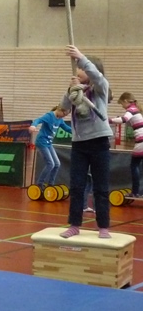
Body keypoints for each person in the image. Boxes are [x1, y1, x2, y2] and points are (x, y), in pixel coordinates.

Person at [59, 45, 113, 239]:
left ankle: (103, 226)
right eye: (77, 67)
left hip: (99, 143)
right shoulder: (75, 91)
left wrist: (81, 57)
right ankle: (74, 224)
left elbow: (97, 77)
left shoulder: (100, 89)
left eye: (81, 68)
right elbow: (63, 108)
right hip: (79, 144)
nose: (78, 70)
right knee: (76, 186)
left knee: (101, 187)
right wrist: (70, 90)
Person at [29, 106, 72, 191]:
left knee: (57, 164)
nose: (64, 116)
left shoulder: (60, 119)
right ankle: (39, 184)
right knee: (50, 164)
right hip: (42, 142)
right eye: (64, 114)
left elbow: (66, 128)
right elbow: (38, 120)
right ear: (60, 109)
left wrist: (77, 131)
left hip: (49, 143)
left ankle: (50, 184)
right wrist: (33, 126)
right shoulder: (49, 116)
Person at [109, 92, 143, 197]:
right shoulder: (136, 109)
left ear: (125, 101)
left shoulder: (131, 110)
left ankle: (135, 192)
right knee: (136, 165)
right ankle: (137, 191)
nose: (122, 107)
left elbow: (123, 120)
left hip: (141, 141)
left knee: (134, 166)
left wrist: (108, 120)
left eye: (122, 104)